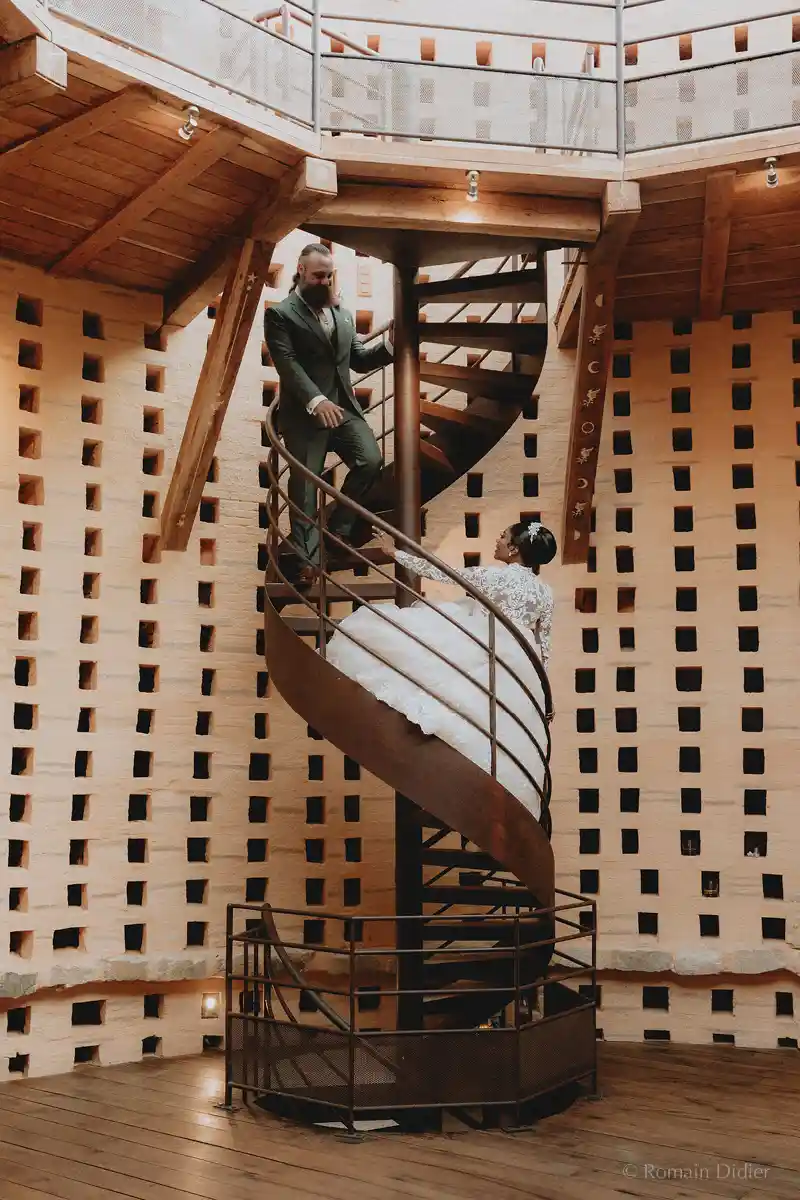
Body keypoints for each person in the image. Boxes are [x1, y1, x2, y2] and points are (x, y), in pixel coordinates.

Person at [326, 522, 557, 818]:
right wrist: (544, 692)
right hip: (522, 664)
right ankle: (489, 789)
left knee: (452, 692)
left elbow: (442, 572)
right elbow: (543, 645)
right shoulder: (545, 593)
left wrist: (394, 553)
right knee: (502, 726)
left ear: (513, 549)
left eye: (503, 536)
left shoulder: (497, 577)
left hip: (487, 645)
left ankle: (455, 771)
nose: (497, 539)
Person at [265, 244, 393, 582]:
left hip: (344, 408)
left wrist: (391, 346)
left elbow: (359, 358)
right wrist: (316, 400)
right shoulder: (280, 314)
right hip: (306, 414)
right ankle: (307, 560)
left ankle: (339, 529)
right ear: (302, 271)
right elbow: (287, 364)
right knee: (306, 484)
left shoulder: (343, 314)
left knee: (371, 461)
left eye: (329, 275)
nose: (324, 280)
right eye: (318, 274)